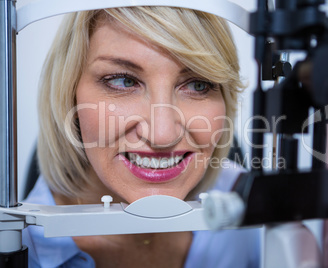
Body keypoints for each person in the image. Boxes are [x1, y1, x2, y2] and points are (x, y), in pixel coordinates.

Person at [23, 6, 261, 267]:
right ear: (70, 95)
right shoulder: (22, 246)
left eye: (197, 84)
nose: (162, 135)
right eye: (123, 81)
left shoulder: (247, 210)